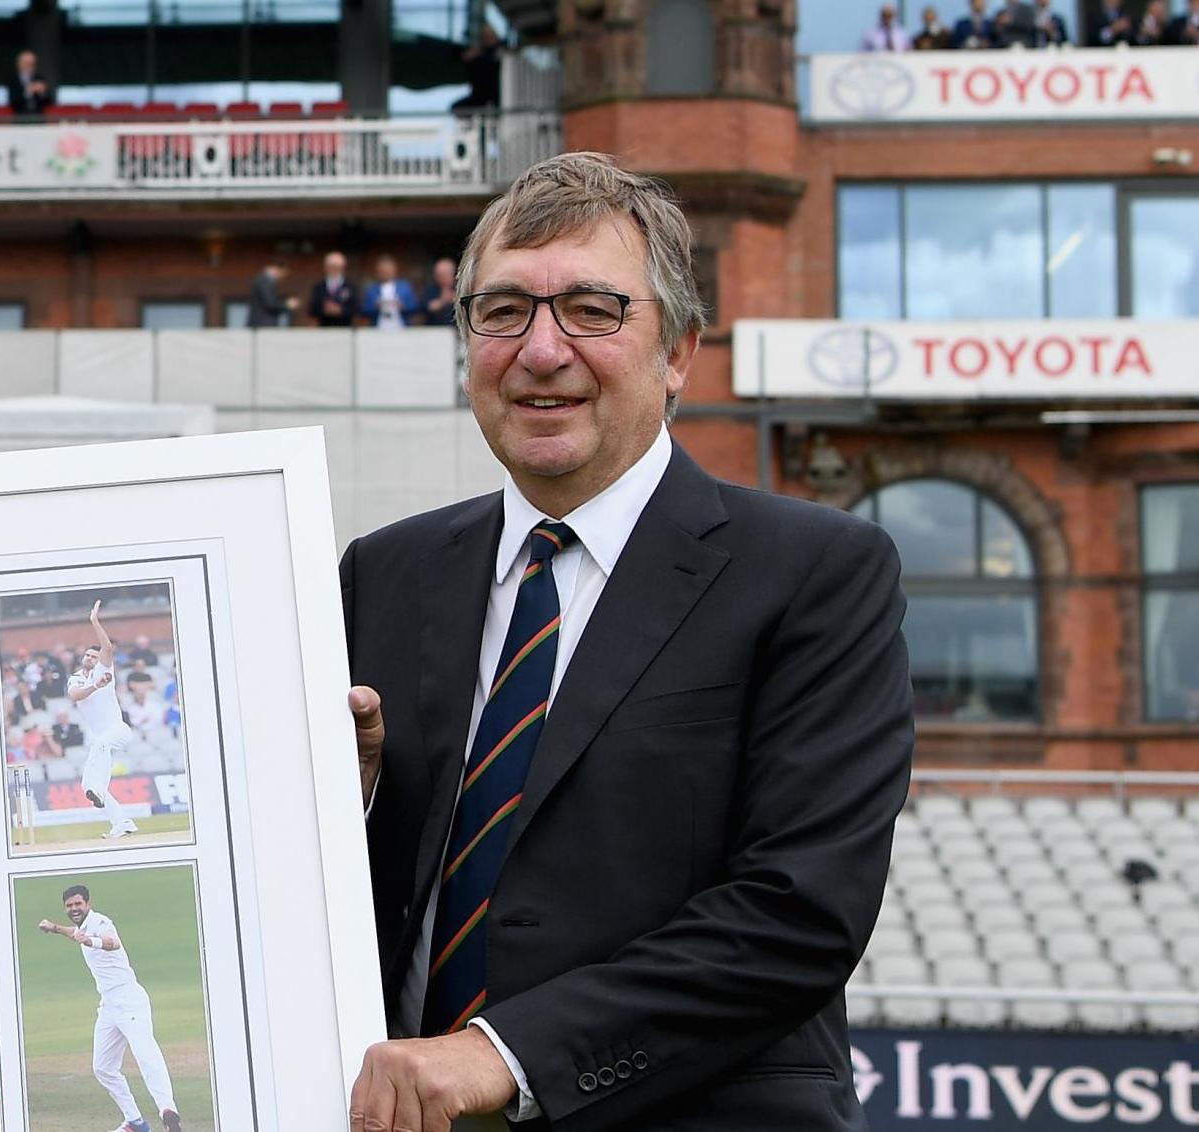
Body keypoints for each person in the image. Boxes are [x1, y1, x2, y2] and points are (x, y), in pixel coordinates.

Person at [342, 152, 913, 1130]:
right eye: (504, 310)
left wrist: (505, 1057)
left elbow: (798, 913)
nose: (541, 350)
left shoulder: (818, 572)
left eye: (593, 311)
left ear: (679, 350)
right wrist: (336, 812)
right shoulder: (380, 573)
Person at [38, 885, 182, 1132]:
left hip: (129, 999)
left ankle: (168, 1112)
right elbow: (76, 933)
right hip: (108, 1006)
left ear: (88, 903)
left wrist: (91, 941)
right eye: (69, 906)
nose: (74, 909)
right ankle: (135, 1122)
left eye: (78, 904)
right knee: (103, 1067)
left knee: (145, 1052)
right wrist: (54, 928)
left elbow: (112, 943)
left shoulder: (102, 922)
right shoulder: (82, 926)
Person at [67, 600, 138, 839]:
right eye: (87, 654)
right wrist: (94, 687)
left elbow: (107, 648)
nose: (89, 657)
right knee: (88, 786)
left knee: (100, 745)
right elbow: (75, 695)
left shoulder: (104, 670)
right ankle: (122, 823)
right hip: (101, 740)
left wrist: (94, 622)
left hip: (118, 730)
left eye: (93, 655)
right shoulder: (76, 678)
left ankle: (99, 791)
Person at [453, 24, 503, 112]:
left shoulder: (500, 51)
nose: (487, 40)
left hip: (498, 92)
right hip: (482, 95)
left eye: (489, 37)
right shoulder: (477, 55)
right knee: (457, 108)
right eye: (484, 37)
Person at [361, 255, 420, 330]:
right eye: (382, 271)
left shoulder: (405, 287)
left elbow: (414, 307)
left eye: (388, 270)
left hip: (401, 327)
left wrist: (402, 306)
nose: (385, 273)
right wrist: (375, 306)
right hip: (378, 327)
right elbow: (364, 310)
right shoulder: (372, 289)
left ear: (394, 270)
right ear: (378, 272)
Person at [309, 251, 361, 327]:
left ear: (343, 268)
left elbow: (356, 309)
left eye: (337, 267)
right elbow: (312, 309)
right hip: (324, 329)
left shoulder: (351, 286)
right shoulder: (319, 287)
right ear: (326, 267)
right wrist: (325, 309)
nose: (334, 270)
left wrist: (341, 310)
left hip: (345, 329)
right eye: (332, 266)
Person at [247, 260, 300, 328]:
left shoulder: (264, 280)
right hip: (263, 325)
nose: (282, 278)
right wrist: (287, 304)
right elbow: (270, 303)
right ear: (280, 270)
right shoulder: (265, 281)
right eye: (284, 274)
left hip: (262, 325)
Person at [7, 49, 55, 116]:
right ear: (19, 63)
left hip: (39, 117)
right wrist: (27, 92)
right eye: (27, 63)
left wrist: (42, 93)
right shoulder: (13, 80)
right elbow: (12, 101)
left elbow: (50, 101)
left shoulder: (40, 79)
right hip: (20, 118)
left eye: (32, 64)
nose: (29, 66)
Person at [420, 257, 459, 327]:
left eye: (445, 274)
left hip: (457, 328)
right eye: (439, 274)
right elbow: (428, 308)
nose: (440, 277)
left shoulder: (459, 287)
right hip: (436, 328)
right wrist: (443, 301)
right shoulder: (431, 288)